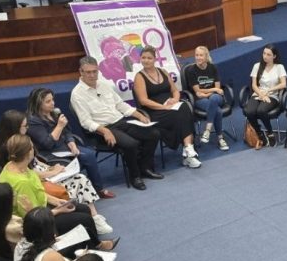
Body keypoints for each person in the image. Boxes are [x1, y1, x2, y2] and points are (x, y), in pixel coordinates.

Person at [0, 134, 118, 254]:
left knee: (84, 208)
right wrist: (59, 211)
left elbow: (38, 191)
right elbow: (34, 216)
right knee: (84, 218)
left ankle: (93, 243)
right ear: (28, 153)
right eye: (32, 147)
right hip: (37, 223)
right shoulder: (22, 183)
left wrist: (56, 201)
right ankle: (94, 249)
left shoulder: (14, 165)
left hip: (41, 207)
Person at [0, 110, 110, 232]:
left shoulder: (19, 158)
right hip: (40, 213)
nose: (27, 128)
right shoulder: (21, 178)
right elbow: (34, 213)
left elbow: (34, 168)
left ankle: (94, 217)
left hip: (42, 186)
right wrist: (58, 208)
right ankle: (93, 222)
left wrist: (50, 172)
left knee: (80, 184)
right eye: (25, 126)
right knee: (80, 185)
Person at [71, 56, 162, 190]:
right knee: (131, 144)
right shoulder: (77, 94)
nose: (92, 75)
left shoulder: (104, 85)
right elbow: (85, 122)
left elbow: (120, 105)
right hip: (101, 130)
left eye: (94, 71)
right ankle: (135, 176)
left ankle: (145, 168)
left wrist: (138, 114)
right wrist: (105, 131)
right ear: (81, 72)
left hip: (120, 122)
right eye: (88, 72)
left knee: (153, 133)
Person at [25, 87, 113, 199]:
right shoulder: (33, 121)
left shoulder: (54, 113)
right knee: (84, 157)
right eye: (48, 101)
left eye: (52, 99)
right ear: (38, 103)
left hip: (65, 147)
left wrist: (72, 143)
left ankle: (98, 188)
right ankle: (80, 192)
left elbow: (67, 132)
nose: (53, 103)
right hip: (49, 153)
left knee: (88, 154)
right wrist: (59, 126)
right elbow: (47, 143)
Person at [132, 45, 200, 169]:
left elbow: (175, 90)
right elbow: (143, 101)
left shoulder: (162, 71)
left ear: (155, 59)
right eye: (143, 58)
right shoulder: (139, 77)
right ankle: (188, 152)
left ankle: (188, 150)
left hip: (171, 107)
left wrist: (174, 99)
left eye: (149, 58)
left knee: (184, 106)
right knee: (182, 112)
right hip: (153, 111)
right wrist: (163, 107)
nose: (146, 60)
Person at [185, 46, 229, 152]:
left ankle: (207, 130)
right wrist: (212, 91)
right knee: (217, 110)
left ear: (206, 56)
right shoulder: (191, 70)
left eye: (201, 55)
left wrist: (207, 93)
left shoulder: (212, 67)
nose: (198, 58)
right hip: (201, 100)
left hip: (215, 97)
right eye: (196, 55)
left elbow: (217, 88)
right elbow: (197, 91)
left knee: (214, 99)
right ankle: (220, 138)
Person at [244, 44, 287, 148]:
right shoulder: (257, 66)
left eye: (268, 54)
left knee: (261, 110)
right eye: (264, 53)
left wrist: (268, 91)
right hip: (258, 94)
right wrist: (261, 95)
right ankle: (259, 133)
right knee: (249, 111)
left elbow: (283, 84)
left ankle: (270, 133)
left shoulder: (279, 67)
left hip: (273, 96)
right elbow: (254, 85)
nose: (265, 56)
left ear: (274, 56)